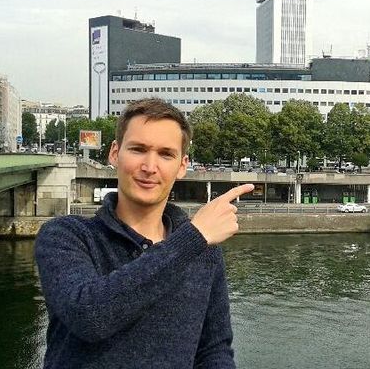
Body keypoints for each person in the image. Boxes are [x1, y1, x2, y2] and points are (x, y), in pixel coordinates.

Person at [34, 98, 253, 368]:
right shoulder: (65, 236)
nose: (150, 167)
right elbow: (88, 316)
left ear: (182, 166)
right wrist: (192, 239)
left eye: (165, 154)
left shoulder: (204, 251)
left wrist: (194, 241)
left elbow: (213, 350)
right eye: (138, 149)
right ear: (115, 153)